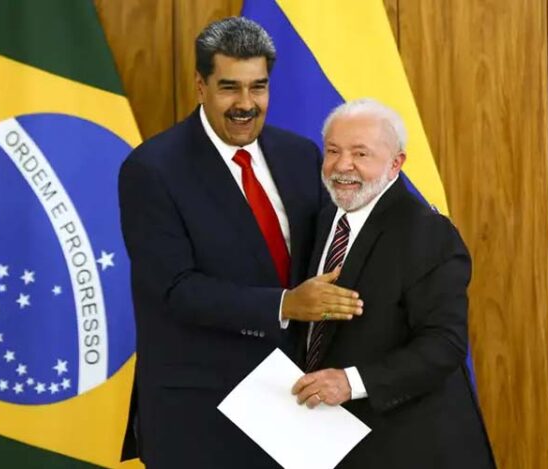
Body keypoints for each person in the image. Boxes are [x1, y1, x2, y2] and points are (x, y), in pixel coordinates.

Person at [119, 17, 362, 468]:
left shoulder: (299, 154)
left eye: (258, 87)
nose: (246, 104)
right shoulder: (152, 170)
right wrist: (286, 304)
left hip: (294, 406)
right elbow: (175, 290)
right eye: (230, 87)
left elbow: (330, 247)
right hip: (199, 416)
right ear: (200, 86)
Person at [291, 98, 496, 468]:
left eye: (361, 154)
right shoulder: (321, 221)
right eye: (333, 151)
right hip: (328, 442)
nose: (342, 166)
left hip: (410, 447)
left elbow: (444, 345)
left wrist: (350, 382)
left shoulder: (428, 234)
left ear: (396, 164)